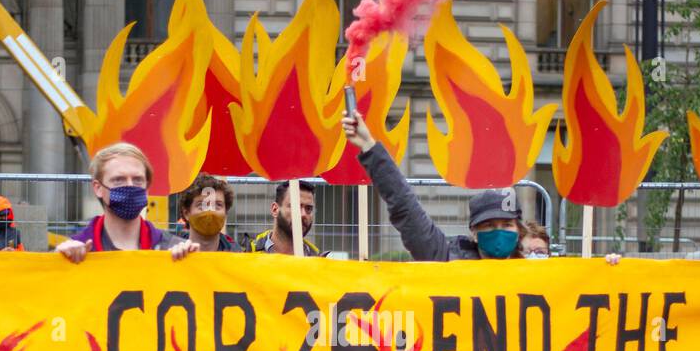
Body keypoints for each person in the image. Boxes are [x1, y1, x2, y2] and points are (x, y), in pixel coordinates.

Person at [343, 112, 619, 264]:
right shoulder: (446, 257)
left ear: (518, 230)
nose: (498, 232)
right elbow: (405, 208)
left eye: (506, 225)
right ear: (473, 233)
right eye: (489, 226)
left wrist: (609, 271)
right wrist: (369, 148)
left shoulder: (537, 273)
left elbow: (583, 290)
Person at [56, 142, 196, 263]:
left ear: (147, 187)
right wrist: (57, 263)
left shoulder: (171, 248)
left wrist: (189, 261)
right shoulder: (76, 250)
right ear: (98, 188)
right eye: (119, 180)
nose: (130, 186)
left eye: (137, 180)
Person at [249, 180, 323, 255]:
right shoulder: (248, 254)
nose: (303, 214)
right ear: (275, 210)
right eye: (295, 206)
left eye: (308, 208)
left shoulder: (317, 260)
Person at [177, 173, 240, 252]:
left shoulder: (238, 257)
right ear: (186, 213)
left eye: (218, 205)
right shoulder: (169, 252)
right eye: (202, 205)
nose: (210, 212)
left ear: (225, 213)